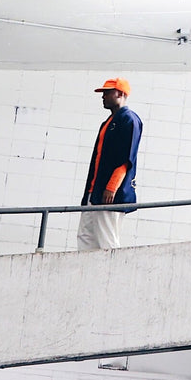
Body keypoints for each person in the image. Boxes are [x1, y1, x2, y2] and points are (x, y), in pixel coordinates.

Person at [78, 77, 143, 251]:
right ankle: (88, 274)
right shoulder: (107, 122)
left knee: (107, 238)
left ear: (121, 94)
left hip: (109, 193)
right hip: (94, 191)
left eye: (108, 92)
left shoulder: (129, 119)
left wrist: (112, 187)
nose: (103, 96)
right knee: (86, 235)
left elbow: (125, 158)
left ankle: (113, 276)